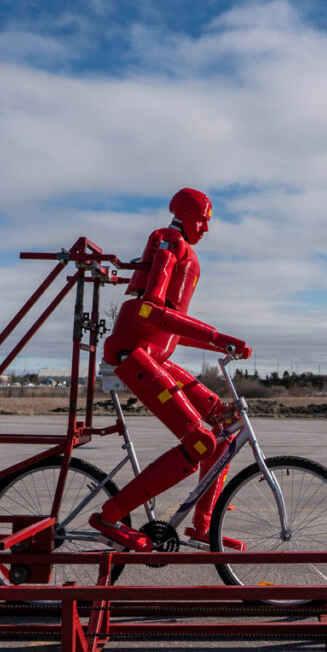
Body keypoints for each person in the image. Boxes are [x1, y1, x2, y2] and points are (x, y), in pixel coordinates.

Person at [91, 188, 250, 552]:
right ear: (186, 215)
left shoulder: (185, 249)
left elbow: (171, 327)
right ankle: (110, 516)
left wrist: (219, 344)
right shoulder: (170, 241)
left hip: (155, 356)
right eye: (203, 220)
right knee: (199, 441)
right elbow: (150, 310)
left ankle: (203, 526)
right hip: (134, 355)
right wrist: (217, 336)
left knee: (228, 426)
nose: (206, 229)